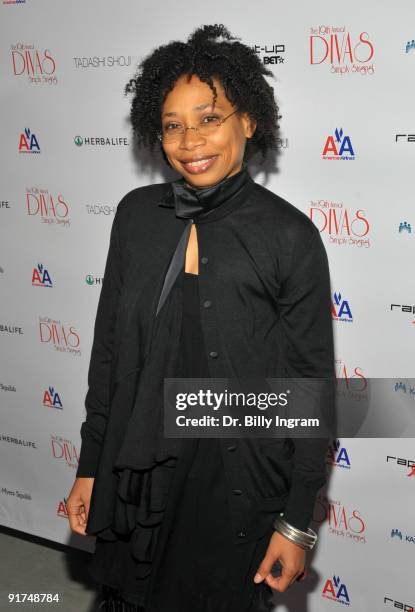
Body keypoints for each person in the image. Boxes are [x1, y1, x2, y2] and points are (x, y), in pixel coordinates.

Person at [66, 23, 335, 612]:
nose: (190, 140)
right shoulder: (136, 215)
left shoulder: (289, 235)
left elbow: (310, 389)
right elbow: (108, 350)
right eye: (172, 124)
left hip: (234, 478)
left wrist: (295, 523)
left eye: (209, 117)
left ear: (249, 121)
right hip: (138, 465)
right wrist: (91, 466)